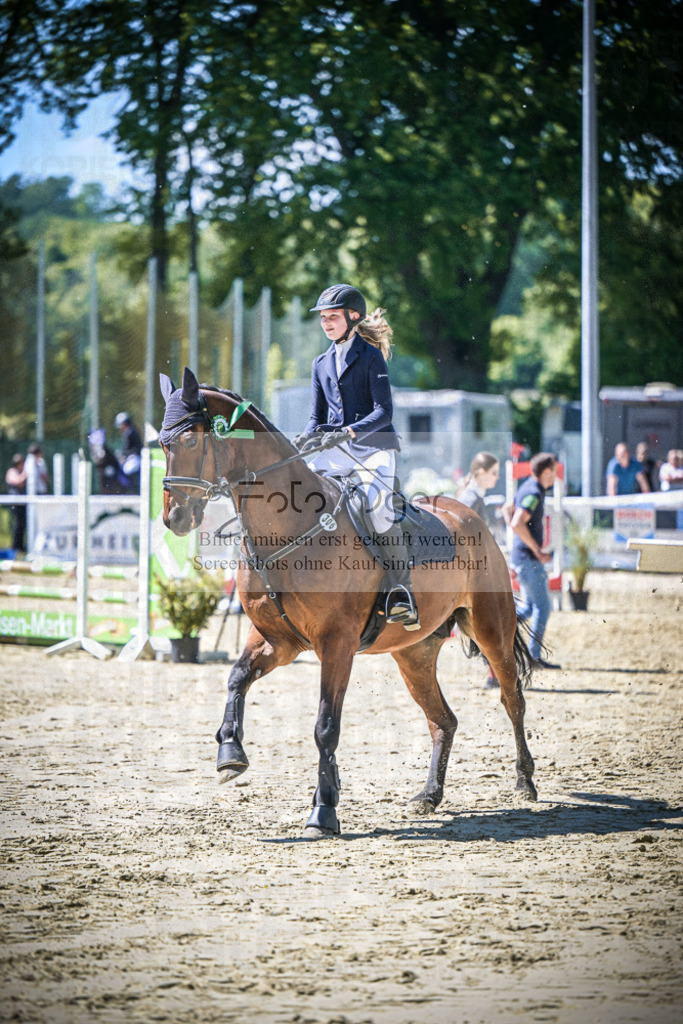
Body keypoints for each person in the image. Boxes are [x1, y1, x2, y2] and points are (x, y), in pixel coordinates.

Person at [293, 283, 419, 629]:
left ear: (353, 317)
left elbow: (384, 412)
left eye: (332, 317)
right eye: (323, 318)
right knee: (298, 494)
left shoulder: (370, 356)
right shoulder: (320, 363)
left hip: (373, 448)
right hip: (334, 451)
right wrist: (305, 438)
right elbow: (316, 417)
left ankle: (400, 592)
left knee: (378, 511)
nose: (326, 323)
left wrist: (348, 432)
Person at [509, 452, 561, 670]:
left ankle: (498, 628)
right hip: (529, 560)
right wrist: (538, 551)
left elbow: (507, 510)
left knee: (528, 608)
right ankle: (533, 657)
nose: (556, 475)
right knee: (542, 607)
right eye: (555, 470)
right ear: (546, 471)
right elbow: (517, 522)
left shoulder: (527, 487)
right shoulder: (534, 491)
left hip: (522, 558)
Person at [458, 452, 502, 687]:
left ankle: (493, 672)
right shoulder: (472, 498)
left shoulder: (474, 496)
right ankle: (493, 673)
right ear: (481, 473)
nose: (497, 478)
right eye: (494, 473)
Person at [5, 453, 27, 554]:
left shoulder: (20, 471)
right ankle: (16, 546)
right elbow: (18, 482)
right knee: (18, 524)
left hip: (22, 502)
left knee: (22, 524)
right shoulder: (12, 471)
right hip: (15, 501)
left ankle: (20, 546)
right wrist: (25, 474)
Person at [115, 412, 143, 492]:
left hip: (135, 457)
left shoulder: (133, 433)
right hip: (130, 457)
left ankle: (132, 487)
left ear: (125, 423)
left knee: (128, 469)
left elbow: (136, 449)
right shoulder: (127, 433)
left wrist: (125, 455)